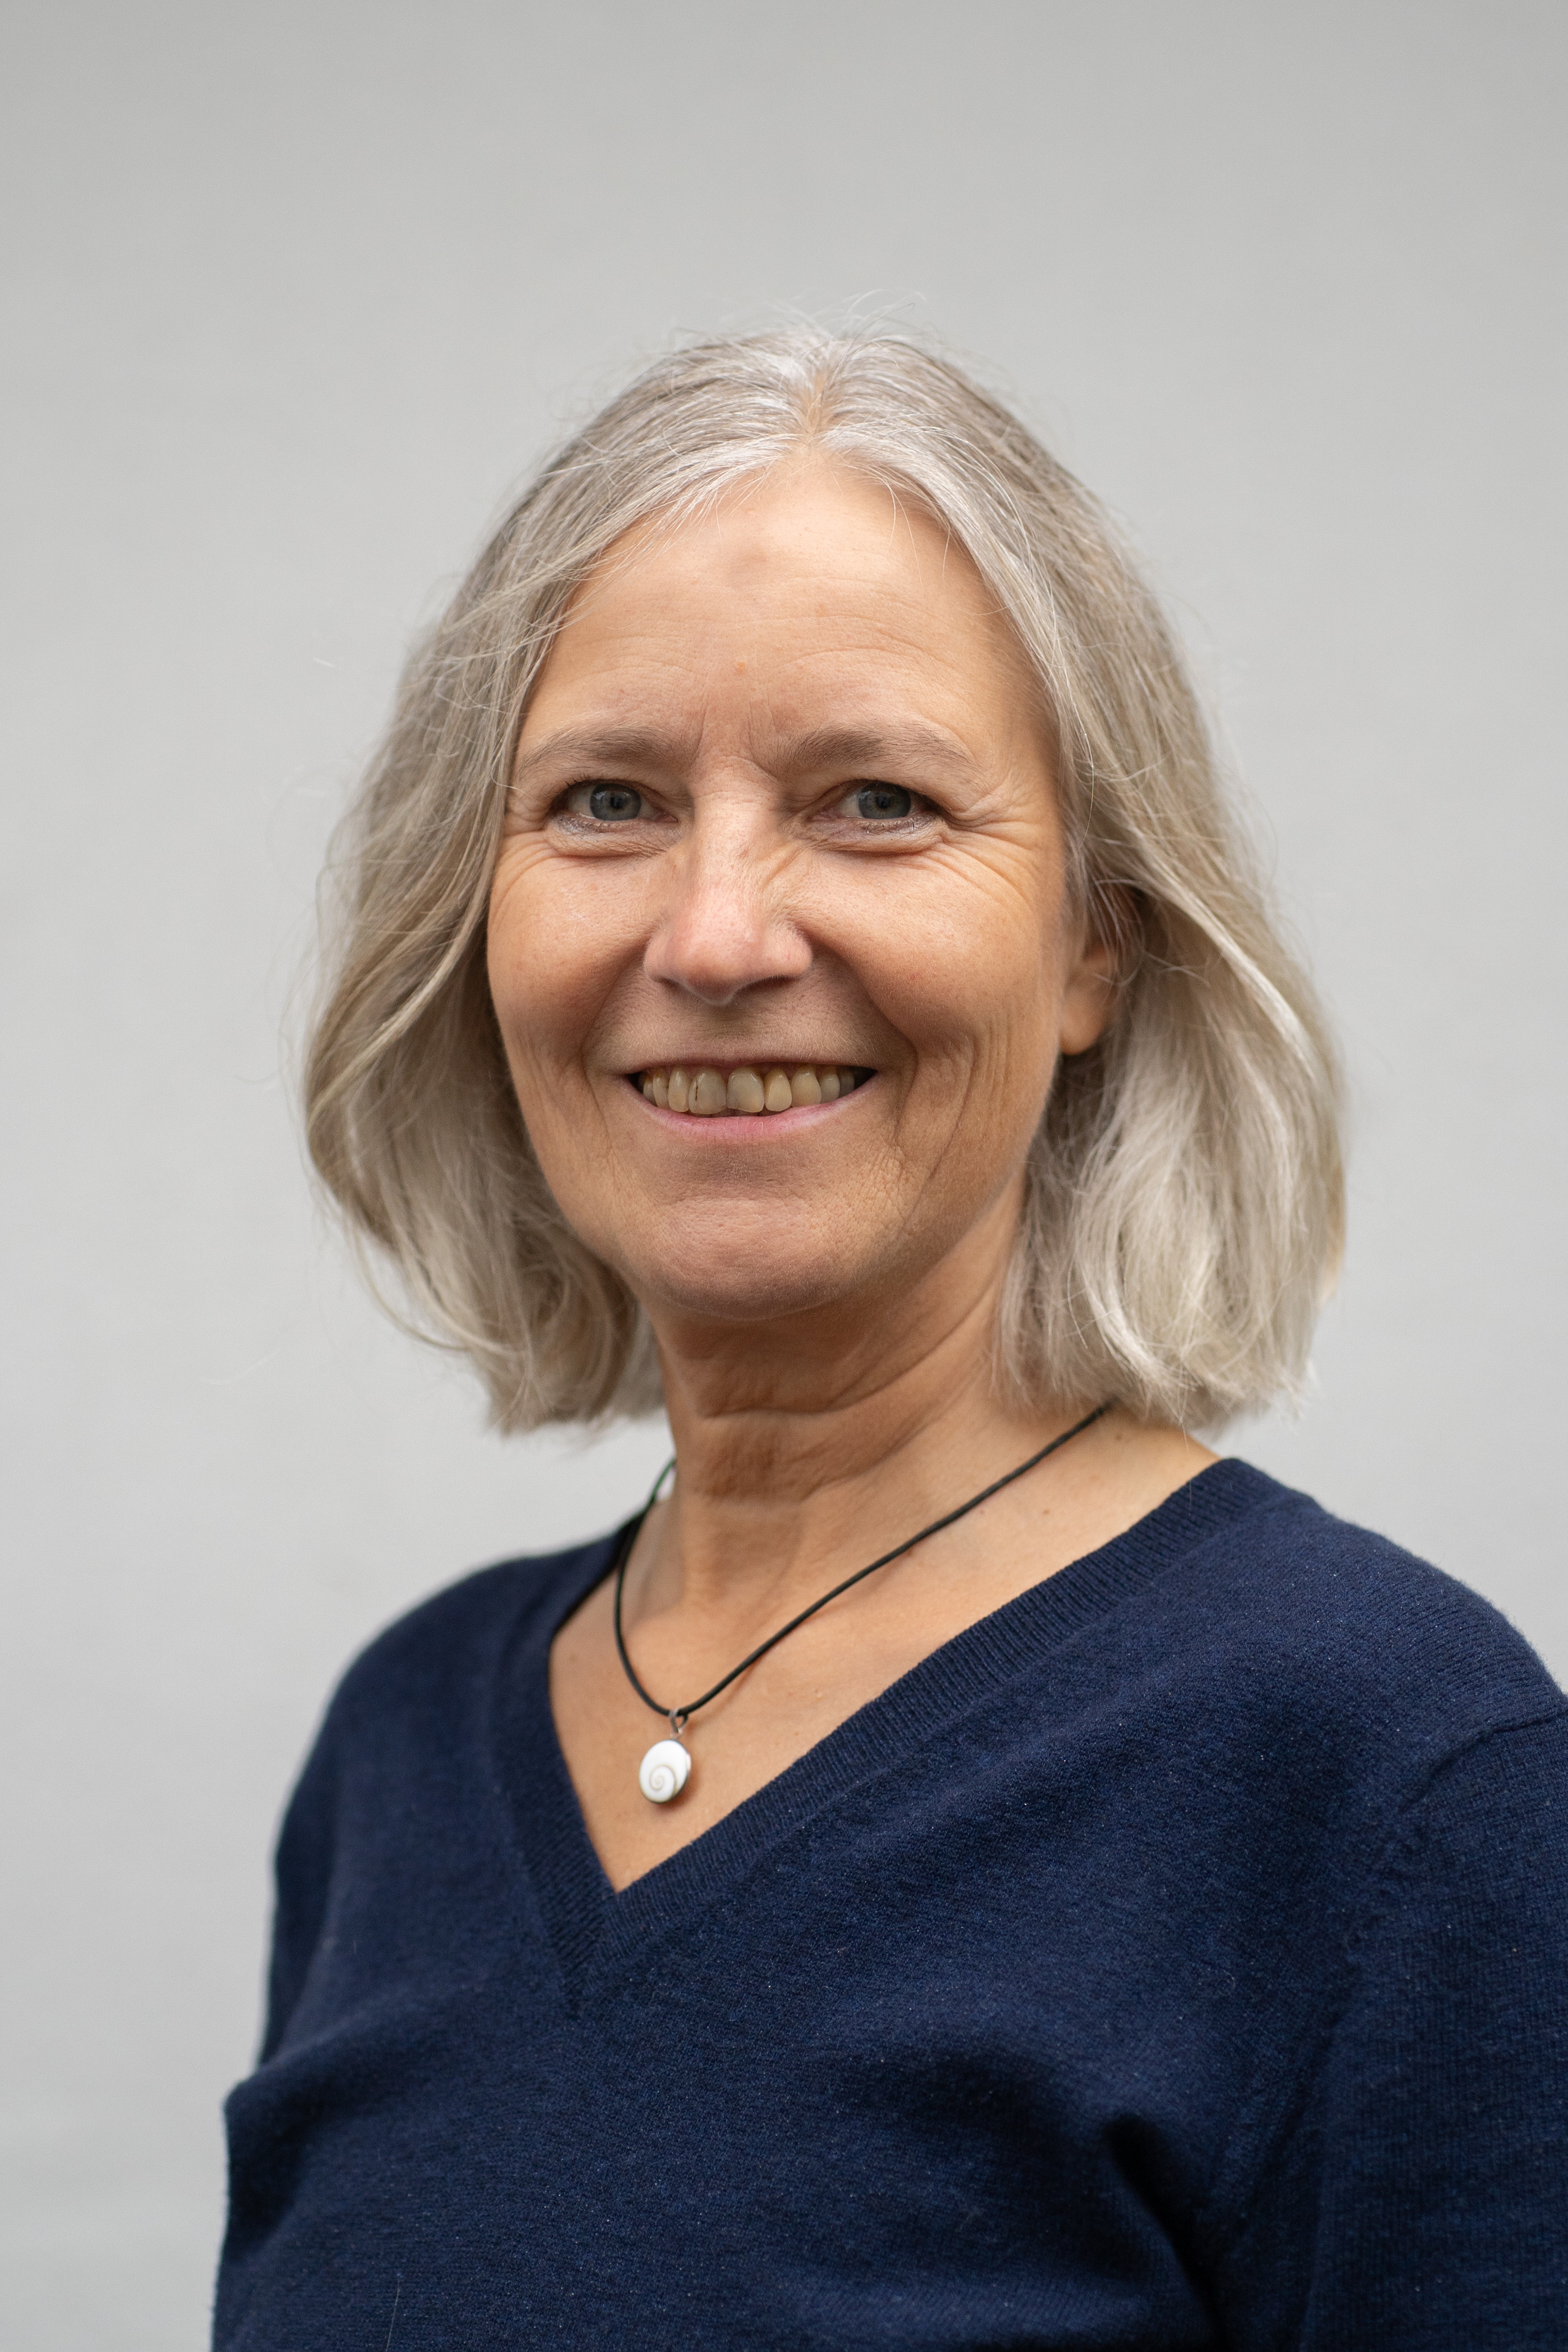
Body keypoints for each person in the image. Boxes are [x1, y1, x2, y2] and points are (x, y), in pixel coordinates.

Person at [215, 330, 1568, 2350]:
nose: (716, 936)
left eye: (874, 802)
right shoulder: (399, 1748)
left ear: (1095, 936)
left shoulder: (1391, 1780)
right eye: (606, 802)